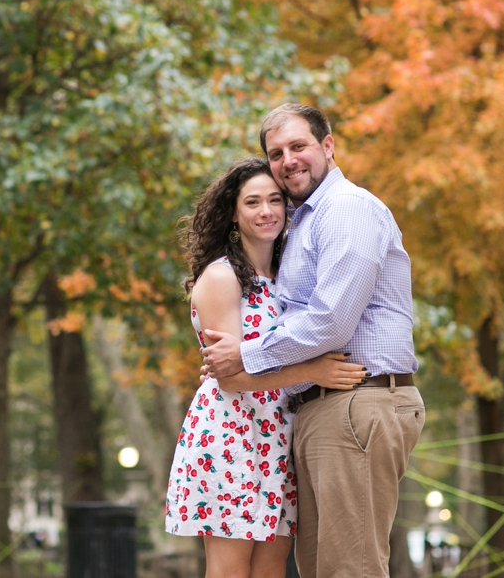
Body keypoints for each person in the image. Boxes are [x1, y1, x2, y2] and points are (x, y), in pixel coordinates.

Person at [201, 104, 425, 578]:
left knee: (352, 567)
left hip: (357, 400)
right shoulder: (303, 223)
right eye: (276, 152)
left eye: (298, 146)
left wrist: (243, 355)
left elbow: (330, 321)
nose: (288, 161)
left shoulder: (346, 209)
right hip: (318, 410)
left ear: (327, 145)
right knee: (324, 566)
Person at [165, 157, 367, 578]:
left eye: (275, 200)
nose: (266, 211)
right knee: (230, 570)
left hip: (278, 436)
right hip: (231, 431)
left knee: (272, 569)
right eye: (252, 202)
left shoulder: (288, 276)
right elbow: (231, 374)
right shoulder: (221, 278)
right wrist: (313, 372)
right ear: (234, 213)